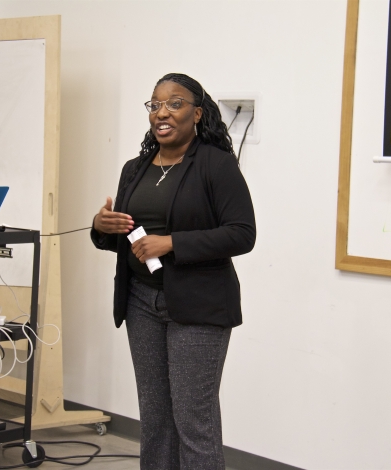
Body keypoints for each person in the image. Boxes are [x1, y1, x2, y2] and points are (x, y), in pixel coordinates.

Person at [91, 73, 256, 470]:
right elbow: (125, 237)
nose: (162, 112)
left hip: (199, 306)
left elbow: (242, 233)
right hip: (140, 302)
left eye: (175, 103)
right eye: (155, 104)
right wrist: (101, 227)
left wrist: (173, 243)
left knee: (193, 420)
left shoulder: (216, 165)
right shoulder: (135, 168)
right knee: (155, 416)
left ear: (197, 113)